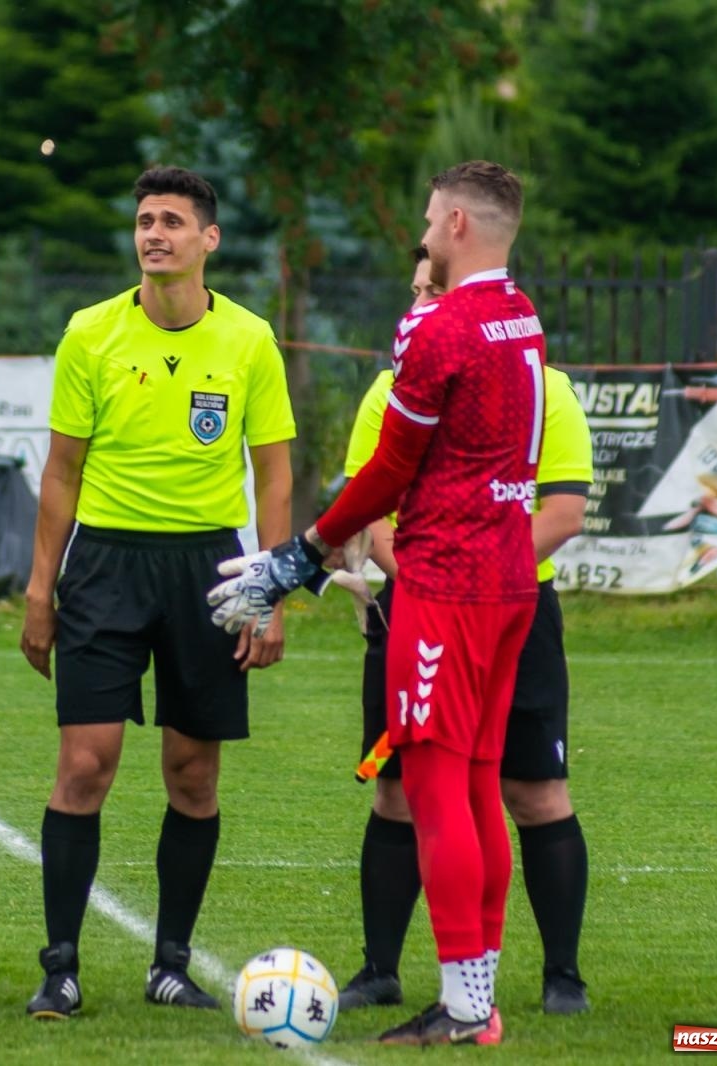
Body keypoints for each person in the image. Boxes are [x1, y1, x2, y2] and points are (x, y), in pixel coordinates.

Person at [208, 160, 544, 1045]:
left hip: (449, 581)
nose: (424, 235)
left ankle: (467, 1008)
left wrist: (299, 554)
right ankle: (479, 995)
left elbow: (389, 468)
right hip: (510, 577)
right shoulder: (521, 314)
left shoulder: (440, 326)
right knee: (477, 783)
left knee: (437, 787)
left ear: (462, 227)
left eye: (433, 221)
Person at [19, 165, 296, 1020]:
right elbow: (61, 472)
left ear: (208, 240)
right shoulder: (90, 333)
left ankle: (170, 964)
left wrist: (272, 590)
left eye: (172, 221)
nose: (154, 234)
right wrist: (40, 588)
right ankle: (60, 965)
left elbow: (275, 478)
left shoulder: (249, 340)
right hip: (104, 565)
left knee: (193, 777)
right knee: (84, 765)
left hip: (210, 573)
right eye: (145, 220)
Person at [336, 248, 594, 1021]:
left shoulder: (544, 388)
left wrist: (475, 570)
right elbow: (369, 502)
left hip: (503, 606)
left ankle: (559, 978)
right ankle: (384, 969)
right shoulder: (391, 390)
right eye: (414, 287)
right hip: (417, 605)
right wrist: (420, 575)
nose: (417, 304)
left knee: (531, 790)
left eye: (430, 289)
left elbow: (563, 511)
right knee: (401, 792)